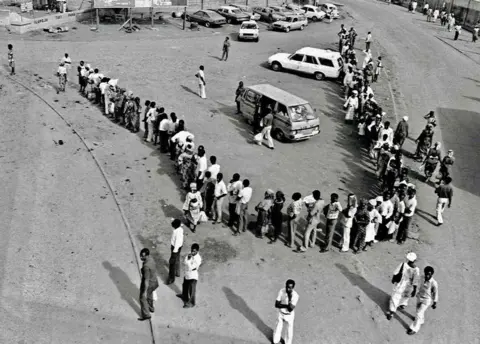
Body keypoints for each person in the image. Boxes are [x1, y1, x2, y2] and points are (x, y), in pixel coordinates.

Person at [386, 252, 420, 320]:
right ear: (415, 260)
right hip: (408, 287)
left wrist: (393, 279)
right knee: (405, 297)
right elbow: (415, 281)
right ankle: (402, 304)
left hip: (400, 285)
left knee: (395, 297)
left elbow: (395, 272)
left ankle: (392, 312)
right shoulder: (416, 269)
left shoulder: (403, 264)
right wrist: (414, 290)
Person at [408, 266, 439, 335]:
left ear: (432, 274)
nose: (427, 276)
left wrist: (435, 302)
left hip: (426, 300)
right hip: (419, 297)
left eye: (429, 274)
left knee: (419, 313)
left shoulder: (434, 283)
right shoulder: (422, 277)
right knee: (417, 311)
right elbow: (416, 281)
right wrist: (414, 289)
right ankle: (421, 320)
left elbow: (435, 293)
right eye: (426, 274)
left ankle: (414, 328)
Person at [273, 279, 299, 344]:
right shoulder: (281, 291)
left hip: (289, 315)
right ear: (285, 286)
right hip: (281, 313)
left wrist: (289, 299)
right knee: (277, 328)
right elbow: (276, 304)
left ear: (293, 288)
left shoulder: (295, 296)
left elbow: (290, 309)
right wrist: (287, 306)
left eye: (290, 288)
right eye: (287, 287)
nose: (288, 289)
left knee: (289, 331)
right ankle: (276, 340)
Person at [138, 248, 159, 321]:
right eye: (141, 255)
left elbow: (146, 280)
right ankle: (151, 308)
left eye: (142, 256)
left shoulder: (146, 266)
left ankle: (146, 315)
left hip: (149, 283)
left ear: (147, 256)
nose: (141, 257)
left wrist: (144, 292)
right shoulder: (151, 259)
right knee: (149, 295)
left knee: (142, 298)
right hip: (155, 282)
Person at [180, 243, 202, 308]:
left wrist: (188, 260)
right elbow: (184, 262)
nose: (192, 252)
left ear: (197, 251)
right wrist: (187, 259)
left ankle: (191, 303)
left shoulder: (198, 259)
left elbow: (190, 267)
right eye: (192, 250)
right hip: (187, 273)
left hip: (193, 275)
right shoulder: (189, 254)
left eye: (194, 251)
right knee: (185, 285)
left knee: (192, 290)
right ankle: (184, 296)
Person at [167, 219, 184, 285]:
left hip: (175, 248)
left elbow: (176, 243)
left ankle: (171, 278)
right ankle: (177, 272)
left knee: (172, 262)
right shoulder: (180, 229)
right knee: (177, 259)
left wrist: (174, 252)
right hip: (179, 247)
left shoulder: (176, 232)